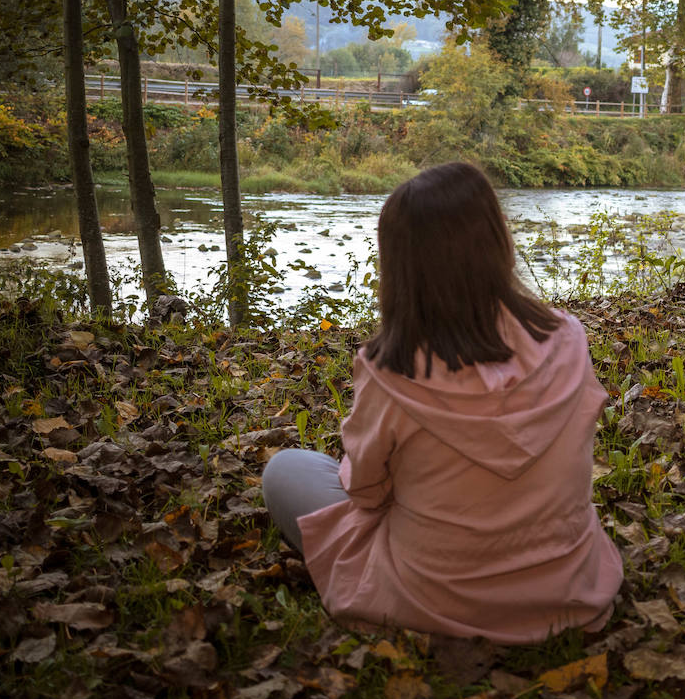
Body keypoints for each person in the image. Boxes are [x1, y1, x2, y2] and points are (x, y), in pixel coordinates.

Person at [261, 162, 623, 643]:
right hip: (567, 588)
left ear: (401, 266)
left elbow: (365, 494)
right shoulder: (568, 337)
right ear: (497, 241)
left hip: (435, 596)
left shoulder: (392, 369)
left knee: (286, 469)